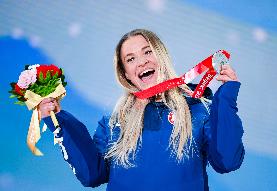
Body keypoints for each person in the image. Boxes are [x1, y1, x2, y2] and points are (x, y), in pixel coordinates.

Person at [39, 29, 244, 191]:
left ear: (161, 56)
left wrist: (227, 96)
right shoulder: (114, 121)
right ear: (126, 74)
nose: (142, 61)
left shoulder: (197, 109)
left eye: (148, 52)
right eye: (130, 59)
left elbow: (227, 161)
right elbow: (92, 175)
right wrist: (59, 121)